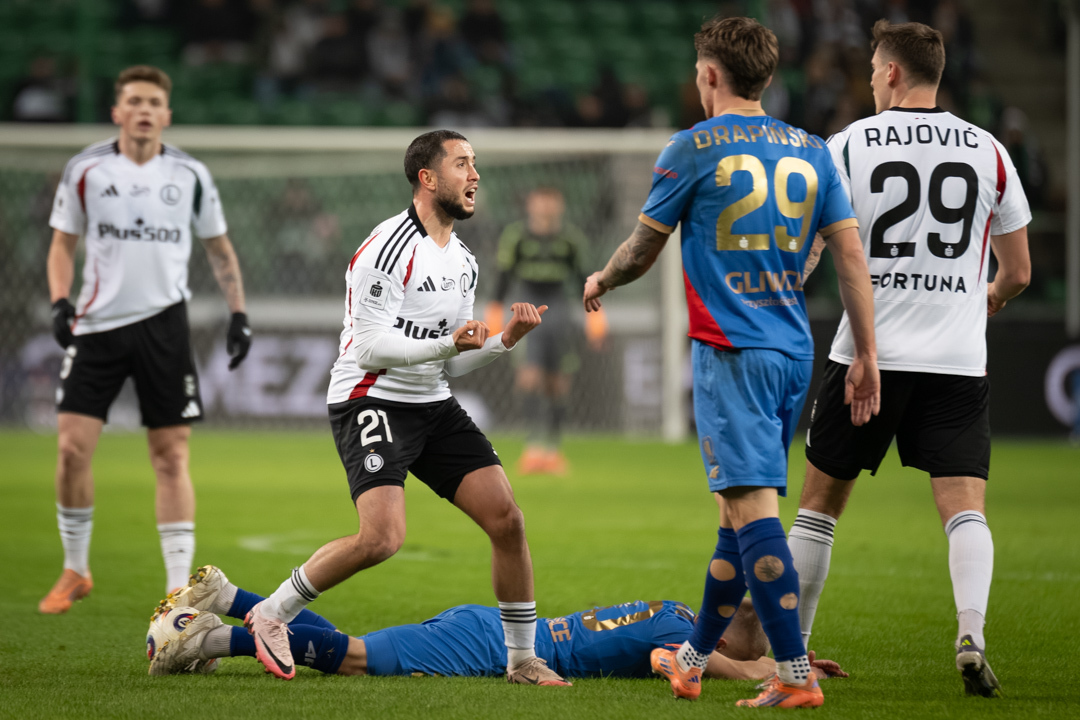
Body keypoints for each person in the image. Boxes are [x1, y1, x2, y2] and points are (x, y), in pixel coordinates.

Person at [583, 16, 879, 709]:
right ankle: (692, 659)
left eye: (698, 73)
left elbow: (641, 250)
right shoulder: (812, 150)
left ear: (711, 75)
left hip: (731, 352)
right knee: (734, 514)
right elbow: (848, 256)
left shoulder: (693, 147)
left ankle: (794, 675)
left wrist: (602, 278)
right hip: (792, 351)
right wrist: (867, 352)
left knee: (752, 510)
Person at [242, 130, 568, 687]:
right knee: (382, 538)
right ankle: (271, 613)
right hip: (370, 397)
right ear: (427, 178)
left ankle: (521, 661)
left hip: (430, 401)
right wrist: (447, 344)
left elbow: (454, 362)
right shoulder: (386, 248)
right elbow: (369, 348)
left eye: (475, 163)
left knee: (507, 519)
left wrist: (504, 340)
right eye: (462, 163)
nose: (475, 175)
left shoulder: (463, 261)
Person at [787, 20, 1031, 699]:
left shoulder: (846, 145)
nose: (869, 80)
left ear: (892, 72)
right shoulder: (990, 150)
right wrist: (982, 299)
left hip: (866, 357)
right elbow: (1018, 271)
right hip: (956, 359)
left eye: (872, 69)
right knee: (965, 509)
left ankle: (793, 660)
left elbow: (808, 254)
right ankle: (971, 635)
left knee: (818, 507)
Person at [40, 65, 251, 614]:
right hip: (96, 325)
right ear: (117, 111)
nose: (143, 110)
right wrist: (60, 300)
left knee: (171, 454)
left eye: (153, 102)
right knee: (71, 449)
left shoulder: (190, 174)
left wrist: (238, 313)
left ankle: (179, 592)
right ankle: (75, 568)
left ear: (166, 114)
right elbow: (62, 244)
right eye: (133, 101)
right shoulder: (86, 169)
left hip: (164, 325)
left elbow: (219, 249)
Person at [148, 566, 848, 682]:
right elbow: (702, 659)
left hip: (500, 632)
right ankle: (208, 637)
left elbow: (711, 646)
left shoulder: (678, 613)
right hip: (490, 644)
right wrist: (761, 669)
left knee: (354, 654)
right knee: (355, 656)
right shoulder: (682, 639)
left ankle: (230, 596)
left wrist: (790, 658)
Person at [485, 187, 607, 475]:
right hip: (527, 311)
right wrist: (494, 323)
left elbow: (586, 283)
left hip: (559, 312)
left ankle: (553, 449)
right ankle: (532, 447)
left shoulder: (570, 239)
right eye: (540, 202)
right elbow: (502, 281)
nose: (545, 208)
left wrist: (597, 324)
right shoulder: (517, 237)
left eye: (551, 202)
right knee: (529, 378)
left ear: (560, 206)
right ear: (530, 205)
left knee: (557, 383)